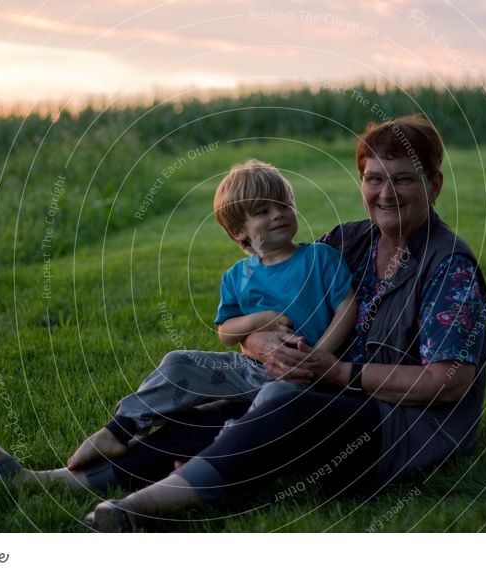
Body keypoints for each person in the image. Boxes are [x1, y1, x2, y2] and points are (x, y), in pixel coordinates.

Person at [0, 115, 486, 532]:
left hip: (401, 427)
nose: (385, 193)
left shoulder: (448, 265)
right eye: (375, 178)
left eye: (403, 179)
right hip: (327, 390)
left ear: (434, 185)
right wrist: (261, 342)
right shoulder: (349, 242)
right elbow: (291, 311)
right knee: (220, 406)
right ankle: (58, 482)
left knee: (284, 406)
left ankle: (140, 508)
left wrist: (340, 374)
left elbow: (450, 381)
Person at [62, 159, 356, 470]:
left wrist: (318, 358)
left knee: (270, 405)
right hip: (249, 367)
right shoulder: (237, 276)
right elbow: (226, 333)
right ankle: (119, 429)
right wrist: (259, 320)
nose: (278, 214)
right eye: (262, 211)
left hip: (303, 379)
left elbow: (347, 306)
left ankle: (211, 458)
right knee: (177, 362)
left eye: (283, 204)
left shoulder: (320, 257)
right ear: (238, 232)